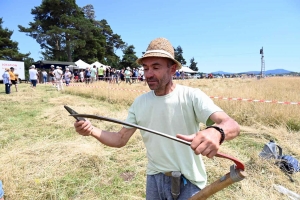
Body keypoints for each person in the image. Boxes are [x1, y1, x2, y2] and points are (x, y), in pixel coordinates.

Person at [73, 38, 240, 199]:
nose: (148, 74)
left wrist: (217, 132)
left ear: (172, 69)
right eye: (145, 68)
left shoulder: (191, 96)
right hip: (155, 178)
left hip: (190, 180)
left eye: (156, 67)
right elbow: (119, 139)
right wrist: (91, 130)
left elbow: (231, 125)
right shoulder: (140, 103)